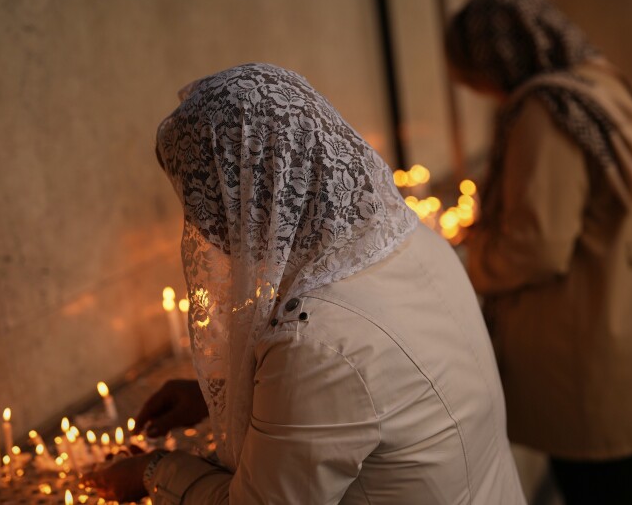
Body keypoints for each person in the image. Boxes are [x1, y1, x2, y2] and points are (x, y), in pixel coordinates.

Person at [84, 63, 526, 504]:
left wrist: (154, 471)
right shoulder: (408, 239)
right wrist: (223, 397)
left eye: (205, 193)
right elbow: (375, 401)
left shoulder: (316, 342)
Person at [444, 0, 632, 505]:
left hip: (591, 356)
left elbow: (536, 248)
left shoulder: (547, 113)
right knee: (630, 483)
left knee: (602, 490)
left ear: (494, 58)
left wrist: (470, 262)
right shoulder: (607, 84)